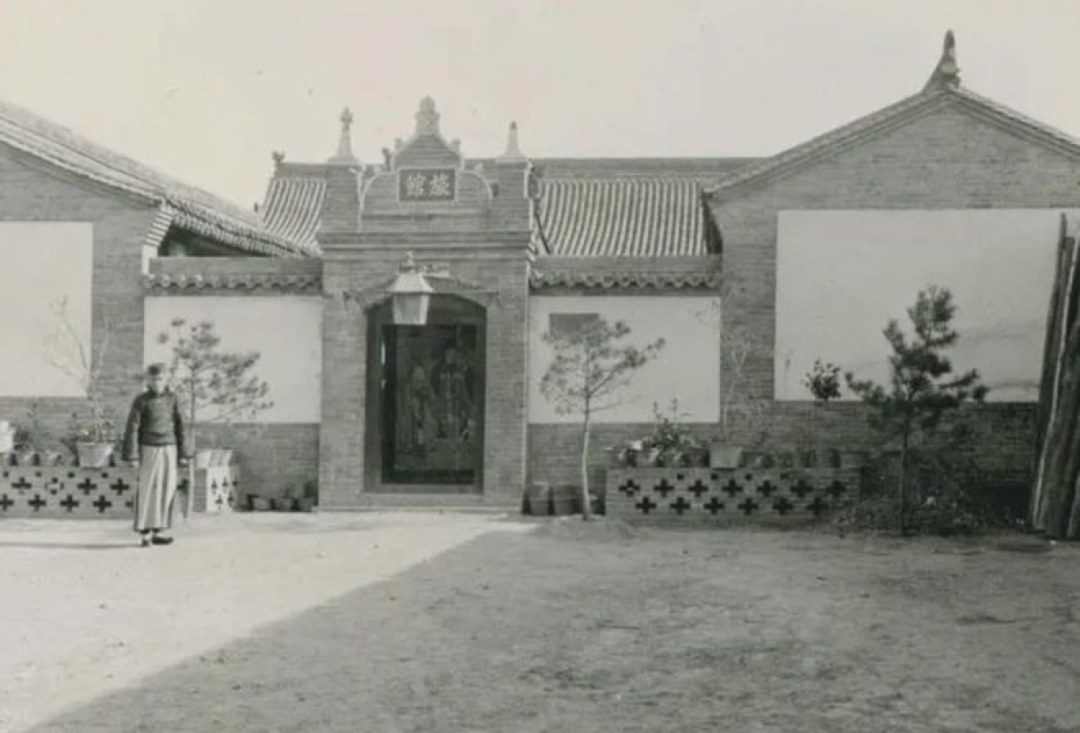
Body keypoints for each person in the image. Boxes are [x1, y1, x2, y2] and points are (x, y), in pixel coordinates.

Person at [122, 364, 190, 547]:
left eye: (160, 379)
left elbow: (181, 426)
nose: (157, 383)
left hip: (170, 448)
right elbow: (132, 428)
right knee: (148, 490)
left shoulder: (173, 399)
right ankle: (145, 533)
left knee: (167, 489)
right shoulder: (141, 400)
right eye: (153, 379)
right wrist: (132, 456)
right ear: (148, 380)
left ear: (166, 380)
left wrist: (183, 453)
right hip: (149, 449)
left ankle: (158, 531)